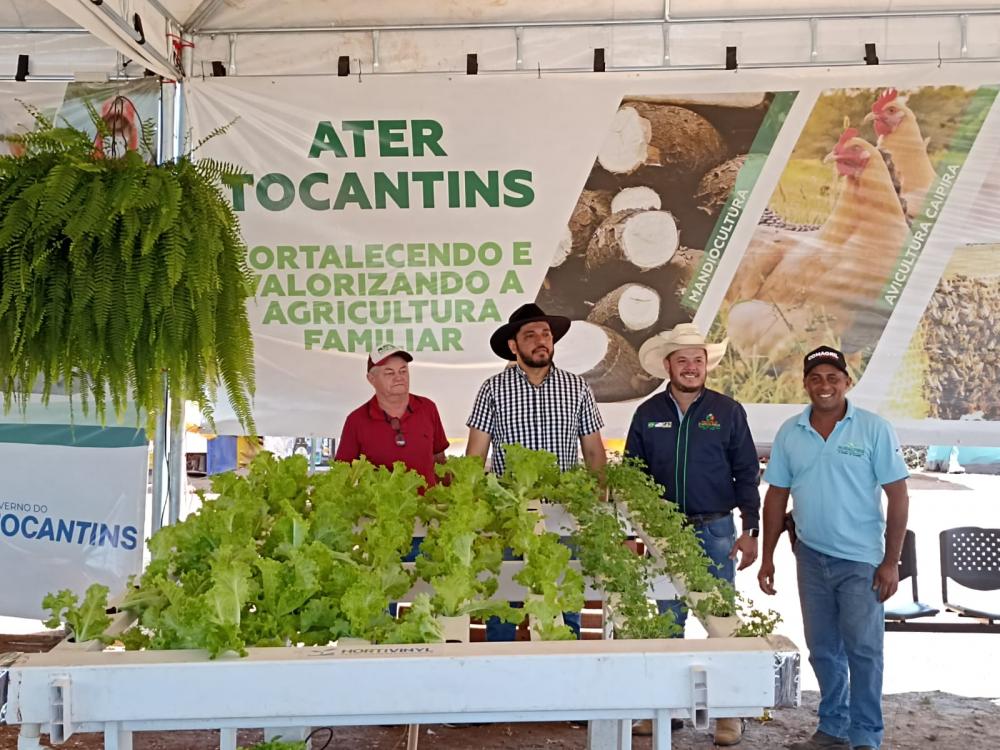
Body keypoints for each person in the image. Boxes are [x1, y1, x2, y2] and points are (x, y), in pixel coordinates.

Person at [757, 346, 910, 750]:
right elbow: (776, 496)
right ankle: (832, 729)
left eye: (833, 378)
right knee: (823, 649)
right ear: (805, 383)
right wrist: (769, 555)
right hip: (809, 556)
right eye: (815, 378)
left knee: (863, 651)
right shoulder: (792, 431)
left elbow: (899, 496)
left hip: (862, 561)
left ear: (847, 382)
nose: (824, 386)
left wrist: (890, 562)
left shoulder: (874, 429)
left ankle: (865, 737)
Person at [624, 322, 760, 746]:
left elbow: (746, 473)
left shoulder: (728, 411)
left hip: (716, 528)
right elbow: (632, 475)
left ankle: (727, 716)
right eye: (682, 360)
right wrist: (631, 530)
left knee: (720, 621)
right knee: (667, 620)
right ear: (667, 365)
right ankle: (663, 711)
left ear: (706, 366)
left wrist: (751, 528)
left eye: (697, 360)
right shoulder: (647, 413)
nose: (690, 367)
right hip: (661, 530)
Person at [466, 303, 607, 640]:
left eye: (546, 334)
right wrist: (470, 510)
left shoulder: (577, 388)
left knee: (565, 602)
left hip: (564, 513)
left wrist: (599, 506)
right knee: (505, 604)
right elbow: (474, 456)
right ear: (514, 346)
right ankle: (499, 675)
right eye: (530, 335)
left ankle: (565, 680)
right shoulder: (493, 389)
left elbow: (593, 452)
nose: (541, 340)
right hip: (510, 516)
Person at [335, 343, 449, 487]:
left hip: (429, 507)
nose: (398, 377)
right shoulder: (356, 420)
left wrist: (448, 499)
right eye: (389, 373)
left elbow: (440, 459)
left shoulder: (428, 408)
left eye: (403, 371)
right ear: (371, 379)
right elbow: (341, 474)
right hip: (379, 509)